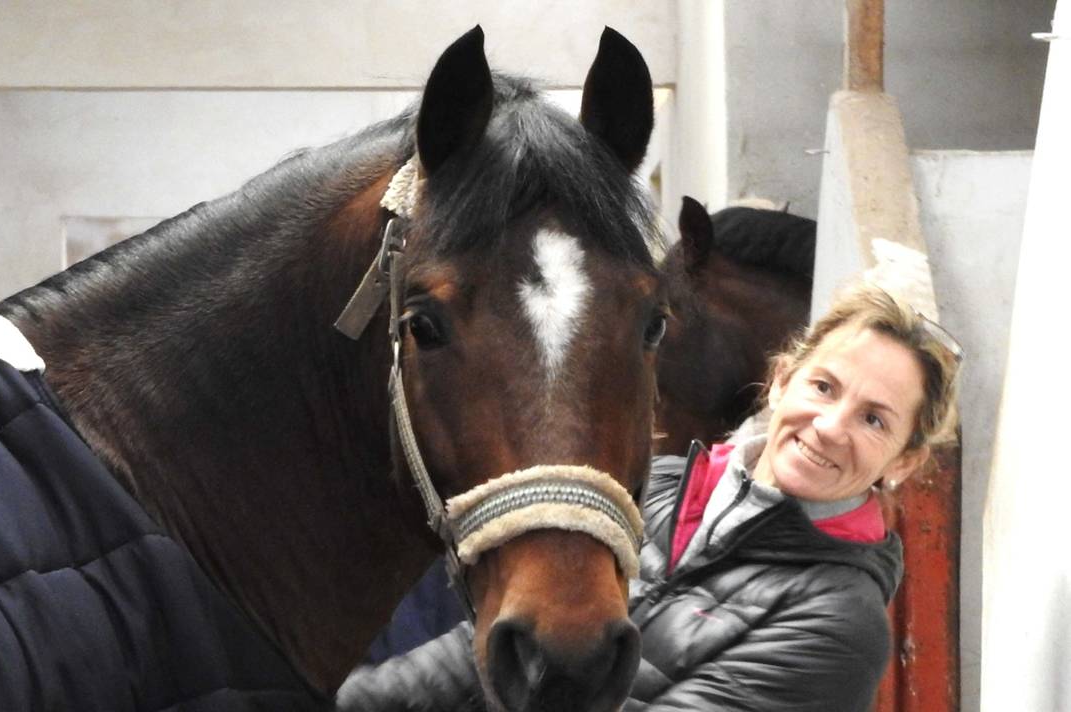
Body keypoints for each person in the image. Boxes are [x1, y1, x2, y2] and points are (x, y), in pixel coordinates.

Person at [336, 282, 961, 711]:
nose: (831, 426)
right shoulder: (655, 484)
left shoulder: (839, 623)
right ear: (780, 381)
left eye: (874, 420)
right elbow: (500, 645)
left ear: (904, 462)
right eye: (824, 387)